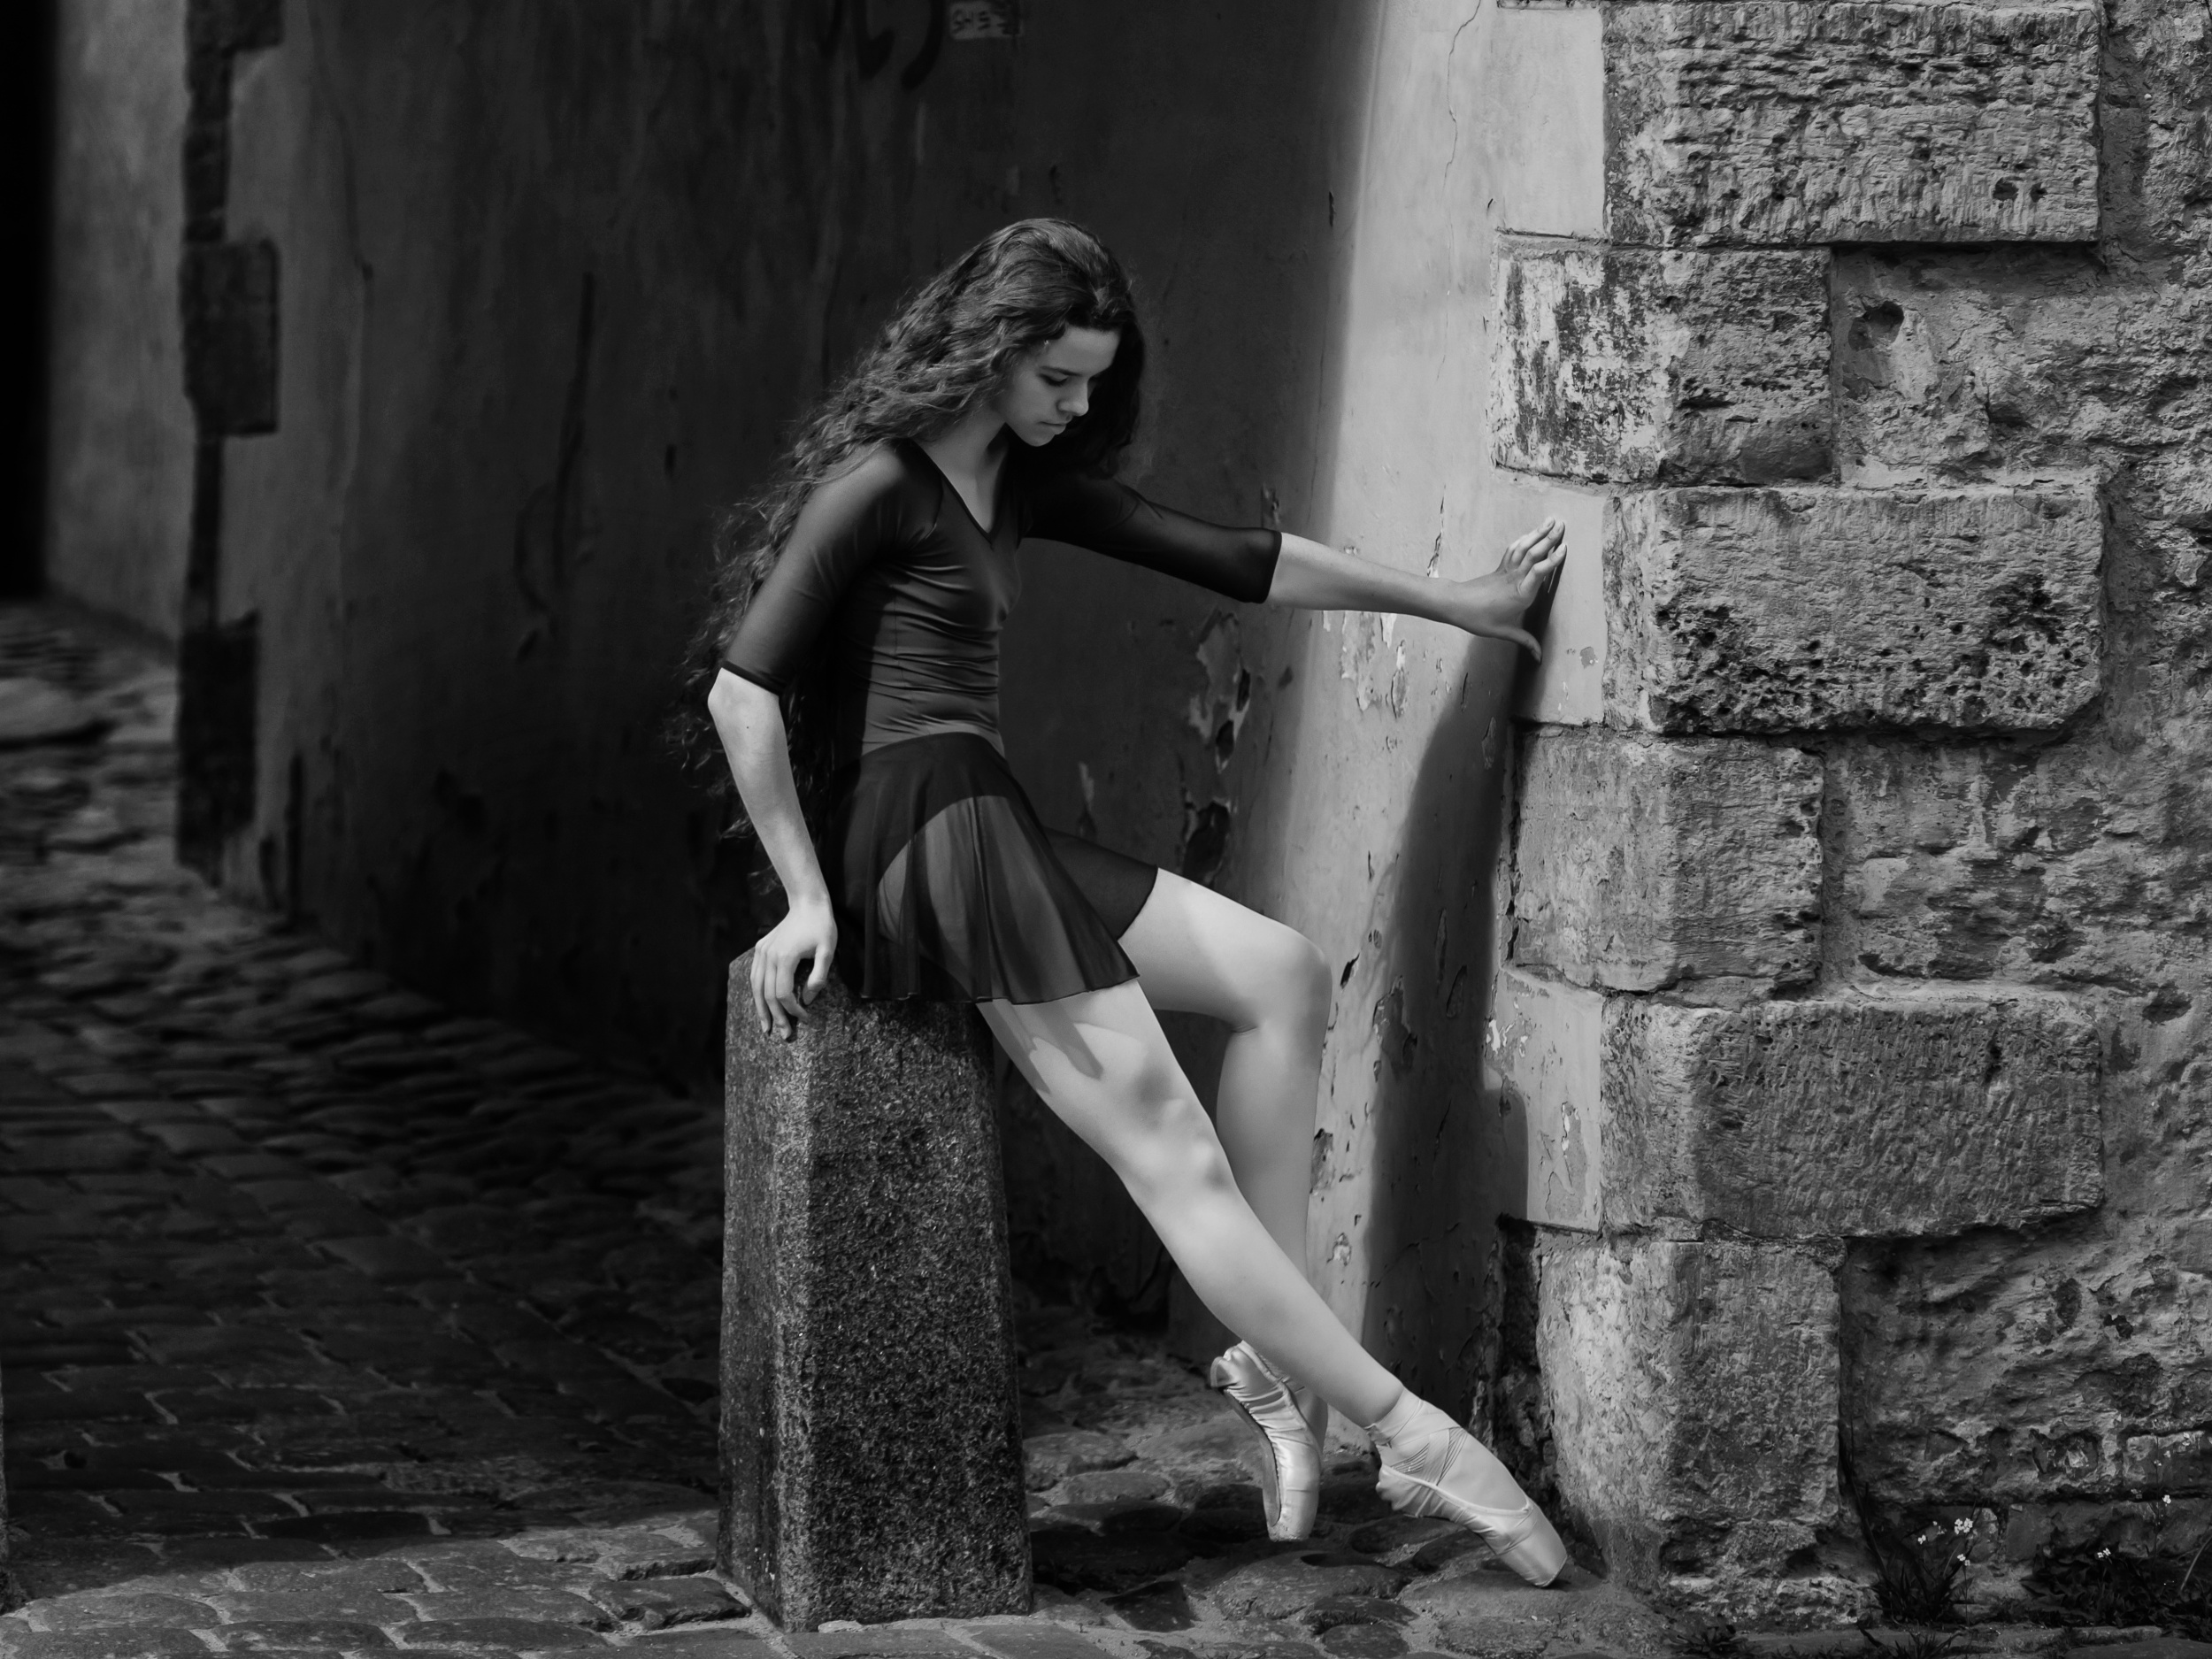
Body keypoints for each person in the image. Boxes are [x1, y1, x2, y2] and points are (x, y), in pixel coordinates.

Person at [692, 219, 1570, 1582]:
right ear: (989, 353)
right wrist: (807, 899)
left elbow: (1237, 558)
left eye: (1094, 382)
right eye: (1058, 378)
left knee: (1281, 976)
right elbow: (741, 693)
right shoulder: (881, 485)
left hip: (983, 815)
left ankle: (1280, 1371)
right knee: (1173, 1154)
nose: (1077, 406)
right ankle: (1416, 1440)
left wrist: (1460, 601)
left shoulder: (1017, 482)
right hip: (920, 834)